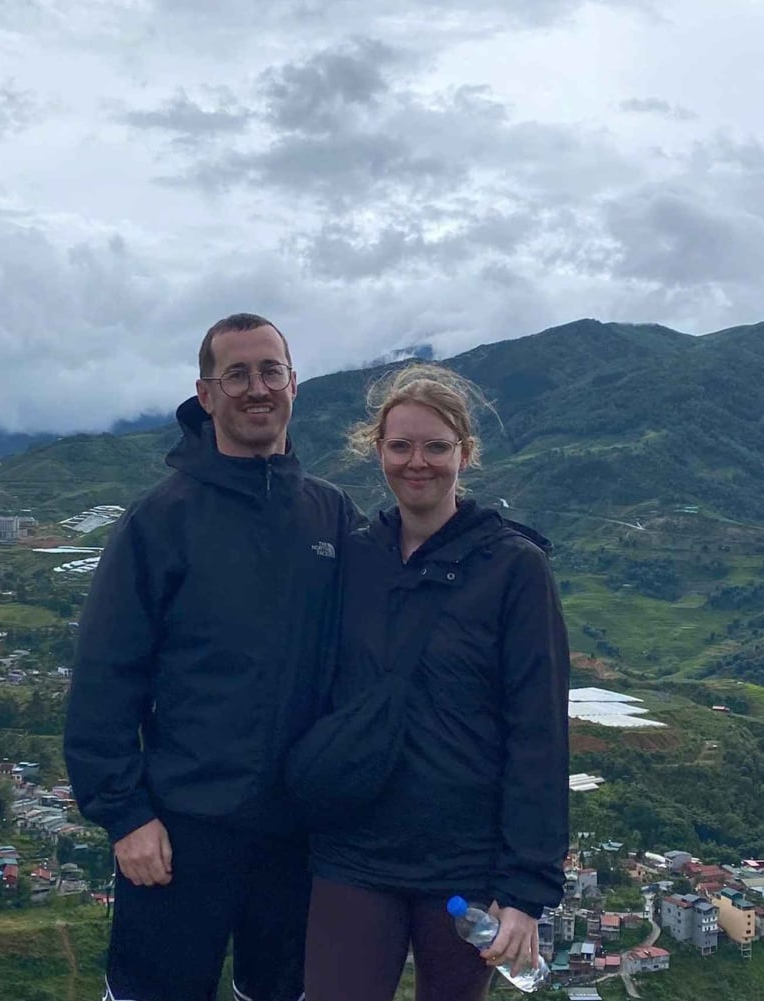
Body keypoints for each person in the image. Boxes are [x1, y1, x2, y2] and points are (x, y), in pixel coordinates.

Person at [63, 313, 360, 1001]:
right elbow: (106, 679)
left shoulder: (332, 516)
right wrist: (125, 814)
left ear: (295, 384)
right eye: (237, 374)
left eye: (270, 371)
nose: (257, 388)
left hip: (296, 835)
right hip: (176, 832)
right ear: (205, 392)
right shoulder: (159, 520)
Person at [303, 364, 571, 1001]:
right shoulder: (353, 559)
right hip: (354, 850)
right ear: (378, 452)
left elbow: (538, 735)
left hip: (463, 867)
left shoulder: (514, 569)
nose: (416, 462)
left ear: (465, 454)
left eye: (436, 446)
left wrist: (525, 892)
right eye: (400, 446)